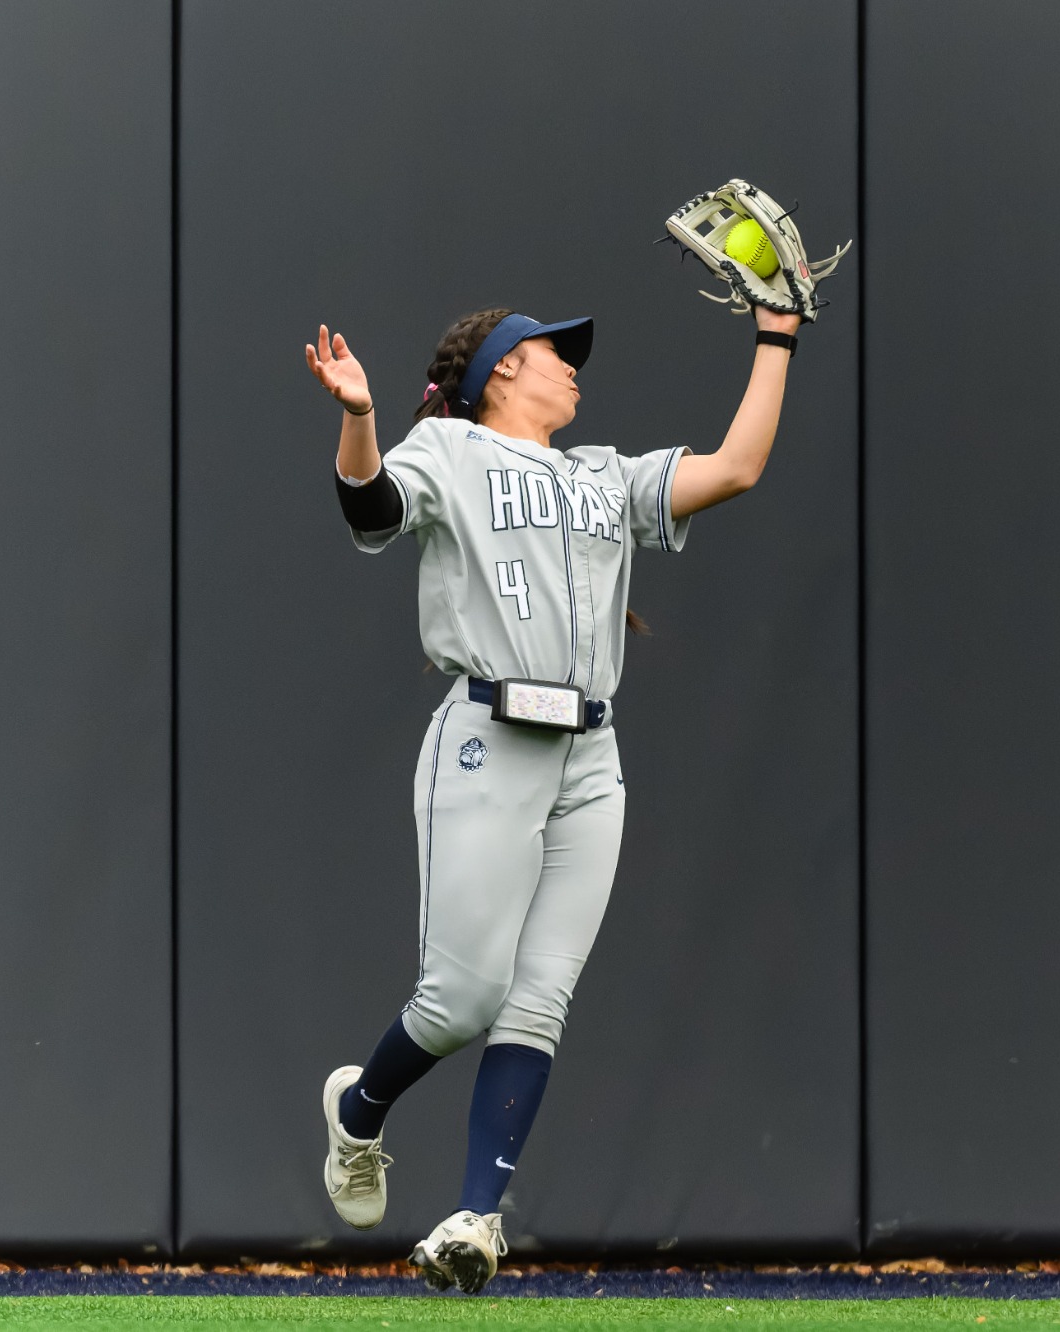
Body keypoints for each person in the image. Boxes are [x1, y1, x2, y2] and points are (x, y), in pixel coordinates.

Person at [301, 301, 803, 1292]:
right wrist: (358, 416)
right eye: (550, 355)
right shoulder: (448, 450)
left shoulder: (601, 475)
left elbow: (736, 468)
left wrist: (776, 336)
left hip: (590, 759)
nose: (572, 368)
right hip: (489, 737)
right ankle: (358, 1114)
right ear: (499, 371)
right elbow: (370, 507)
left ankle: (475, 1221)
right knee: (461, 1001)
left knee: (538, 1001)